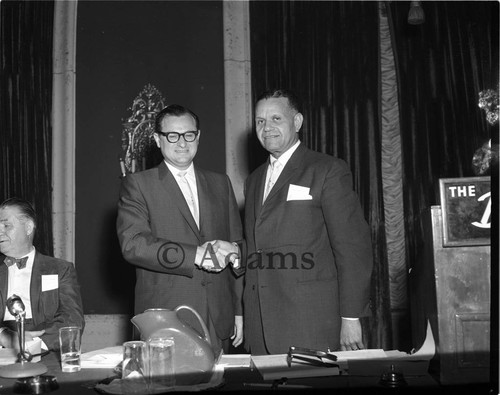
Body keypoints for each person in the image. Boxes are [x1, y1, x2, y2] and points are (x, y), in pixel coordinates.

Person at [243, 89, 373, 354]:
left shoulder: (327, 170)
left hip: (311, 324)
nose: (266, 128)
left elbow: (353, 249)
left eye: (276, 119)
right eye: (260, 121)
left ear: (298, 122)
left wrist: (350, 318)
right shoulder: (254, 180)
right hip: (261, 327)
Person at [117, 104, 243, 355]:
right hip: (165, 318)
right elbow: (133, 244)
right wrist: (196, 254)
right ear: (157, 139)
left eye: (189, 135)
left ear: (198, 136)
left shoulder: (221, 183)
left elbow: (236, 246)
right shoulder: (138, 184)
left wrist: (238, 310)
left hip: (218, 318)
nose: (182, 143)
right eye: (172, 136)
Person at [0, 197, 85, 351]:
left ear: (28, 227)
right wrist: (4, 336)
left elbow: (72, 320)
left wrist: (34, 345)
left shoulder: (60, 269)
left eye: (6, 225)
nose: (0, 231)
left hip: (46, 352)